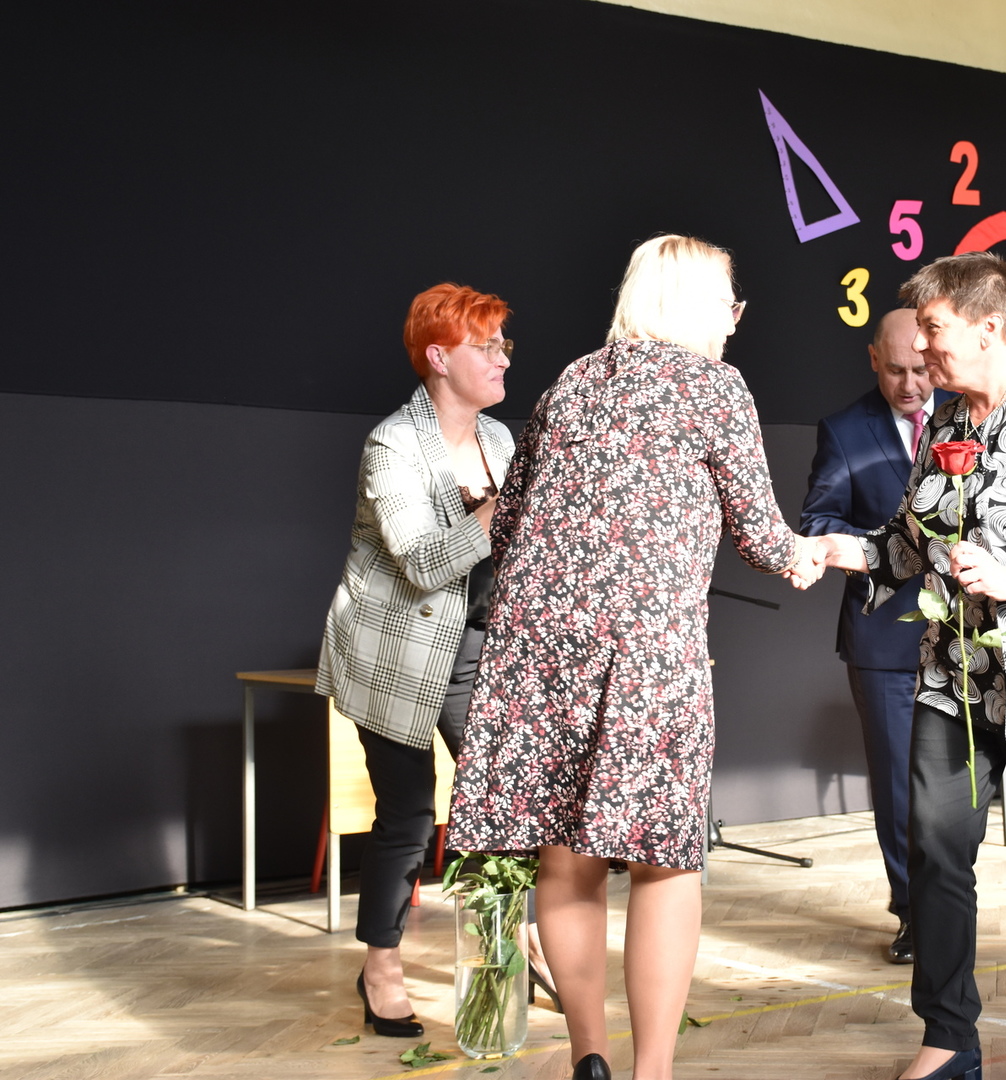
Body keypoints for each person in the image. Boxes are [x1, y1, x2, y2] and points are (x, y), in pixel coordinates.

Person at [446, 235, 818, 1080]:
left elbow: (507, 524)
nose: (736, 320)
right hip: (645, 649)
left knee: (564, 853)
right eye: (728, 302)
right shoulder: (714, 386)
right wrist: (810, 555)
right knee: (662, 859)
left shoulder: (571, 381)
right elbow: (762, 538)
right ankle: (653, 1073)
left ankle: (591, 1056)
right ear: (692, 307)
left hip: (536, 646)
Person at [812, 252, 1006, 1080]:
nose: (922, 347)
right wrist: (832, 551)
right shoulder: (948, 422)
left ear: (989, 328)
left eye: (934, 329)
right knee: (935, 854)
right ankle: (949, 1036)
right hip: (951, 673)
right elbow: (904, 544)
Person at [315, 282, 530, 1037]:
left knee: (506, 803)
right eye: (487, 346)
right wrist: (503, 510)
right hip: (395, 653)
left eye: (504, 343)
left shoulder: (501, 439)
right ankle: (380, 965)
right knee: (407, 813)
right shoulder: (393, 444)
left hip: (477, 648)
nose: (503, 358)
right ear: (439, 358)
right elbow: (421, 562)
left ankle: (514, 949)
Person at [800, 307, 949, 966]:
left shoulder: (970, 416)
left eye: (921, 370)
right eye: (895, 371)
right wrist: (890, 548)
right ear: (872, 361)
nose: (910, 385)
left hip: (966, 635)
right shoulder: (843, 430)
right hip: (884, 639)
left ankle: (952, 905)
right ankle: (914, 913)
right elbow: (818, 520)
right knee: (898, 786)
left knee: (955, 786)